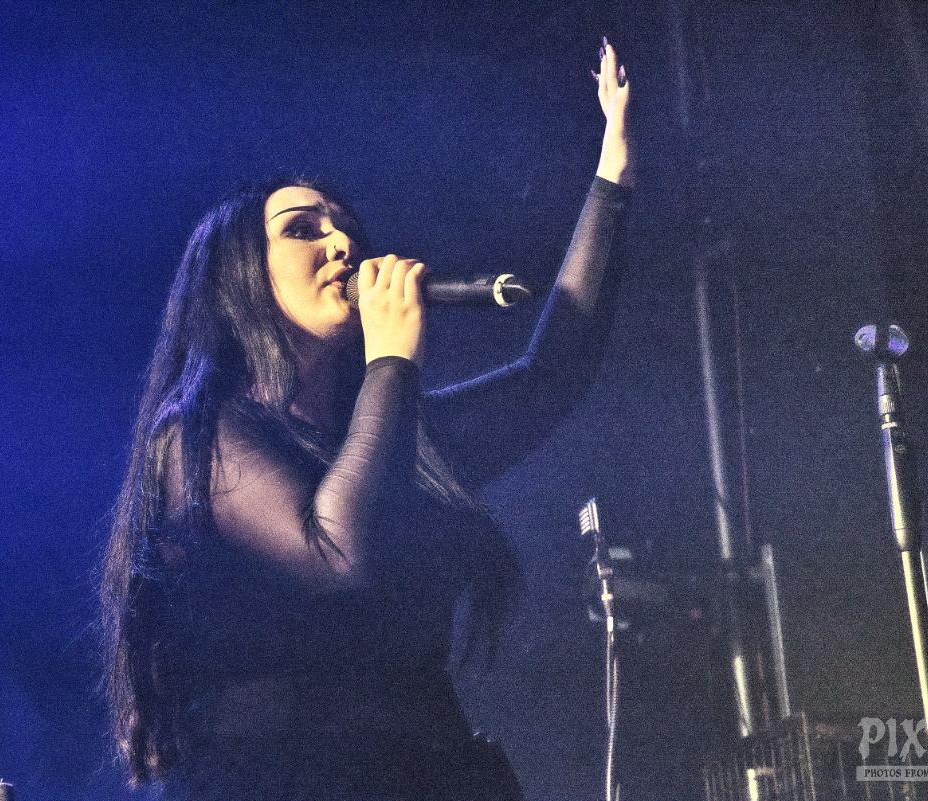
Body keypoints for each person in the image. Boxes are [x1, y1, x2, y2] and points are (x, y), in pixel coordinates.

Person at [101, 39, 634, 801]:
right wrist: (392, 361)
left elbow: (552, 376)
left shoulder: (399, 440)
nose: (343, 242)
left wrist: (613, 176)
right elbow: (337, 561)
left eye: (344, 226)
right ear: (236, 277)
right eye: (303, 229)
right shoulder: (199, 435)